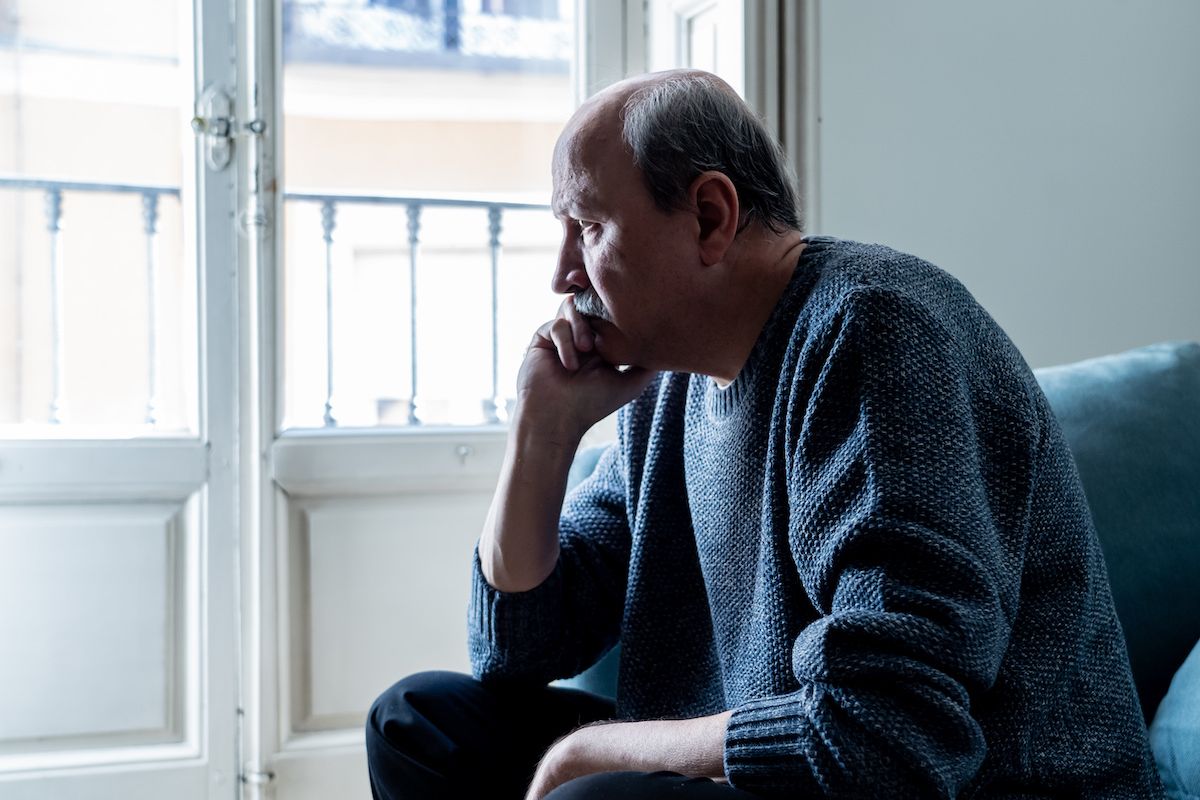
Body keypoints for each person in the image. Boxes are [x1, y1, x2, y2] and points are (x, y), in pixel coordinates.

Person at [364, 69, 1165, 799]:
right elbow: (516, 654)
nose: (563, 274)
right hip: (765, 769)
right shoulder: (668, 379)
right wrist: (541, 433)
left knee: (593, 793)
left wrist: (589, 754)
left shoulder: (874, 333)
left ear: (710, 217)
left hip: (958, 789)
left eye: (590, 227)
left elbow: (885, 738)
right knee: (419, 724)